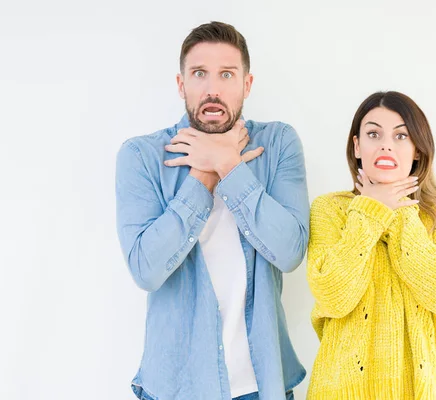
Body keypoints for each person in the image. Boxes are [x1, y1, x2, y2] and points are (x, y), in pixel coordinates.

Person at [115, 21, 308, 400]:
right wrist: (205, 172)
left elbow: (290, 253)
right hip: (177, 387)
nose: (212, 89)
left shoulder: (279, 144)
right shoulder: (141, 156)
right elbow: (145, 270)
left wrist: (232, 168)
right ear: (181, 83)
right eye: (200, 74)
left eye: (227, 74)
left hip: (261, 384)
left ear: (247, 84)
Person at [306, 91, 436, 399]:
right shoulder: (329, 209)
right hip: (343, 390)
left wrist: (399, 208)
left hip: (425, 389)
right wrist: (370, 209)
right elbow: (333, 294)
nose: (385, 145)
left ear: (417, 151)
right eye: (373, 134)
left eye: (401, 136)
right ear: (357, 146)